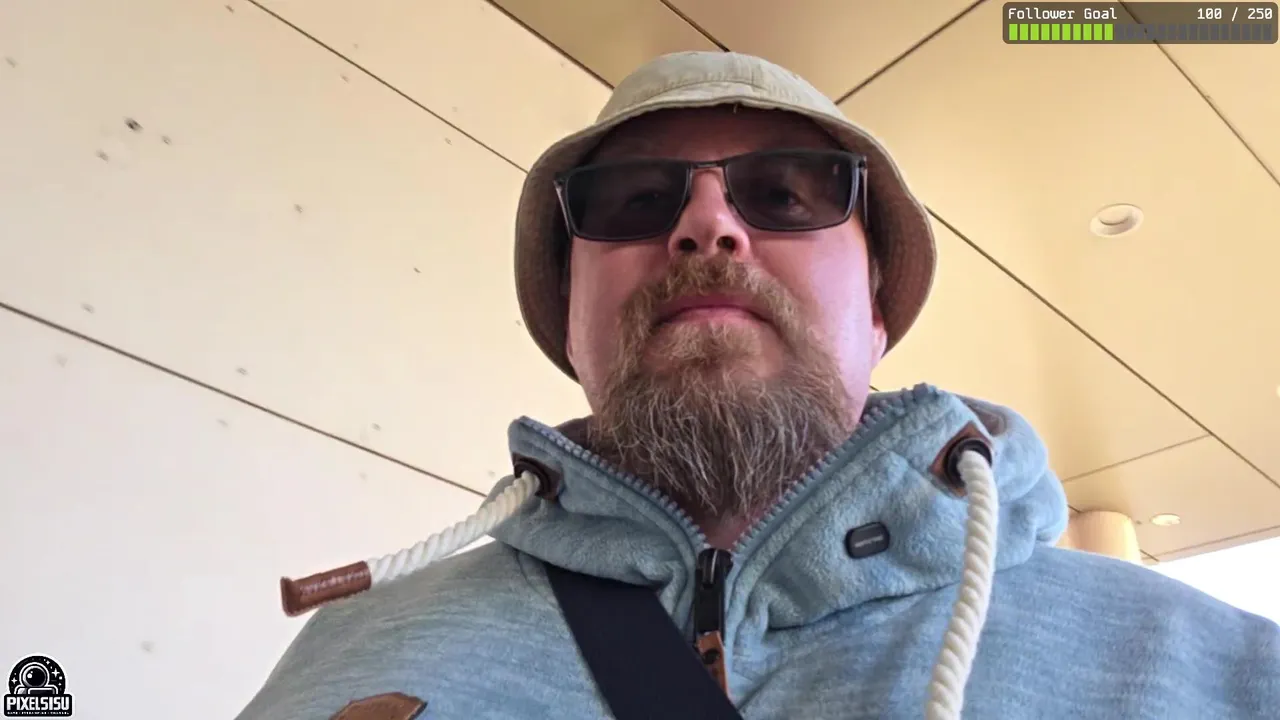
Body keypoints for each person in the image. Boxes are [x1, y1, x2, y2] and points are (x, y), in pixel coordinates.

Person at [236, 51, 1280, 720]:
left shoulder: (1216, 670)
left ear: (879, 310)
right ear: (568, 317)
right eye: (631, 199)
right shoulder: (349, 653)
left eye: (785, 193)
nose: (707, 225)